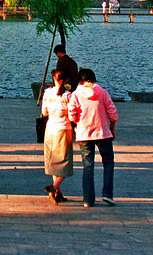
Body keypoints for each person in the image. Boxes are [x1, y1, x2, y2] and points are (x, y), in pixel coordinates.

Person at [68, 68, 118, 207]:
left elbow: (72, 114)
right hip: (103, 132)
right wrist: (112, 129)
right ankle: (107, 194)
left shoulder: (76, 94)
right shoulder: (102, 92)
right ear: (94, 79)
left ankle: (88, 199)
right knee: (108, 162)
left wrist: (78, 123)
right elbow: (113, 113)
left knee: (88, 165)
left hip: (84, 134)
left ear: (80, 81)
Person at [42, 69, 74, 205]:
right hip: (64, 128)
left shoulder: (47, 92)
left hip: (50, 129)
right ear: (66, 80)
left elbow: (44, 112)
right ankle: (54, 187)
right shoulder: (68, 96)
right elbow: (72, 115)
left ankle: (57, 192)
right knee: (65, 161)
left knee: (54, 160)